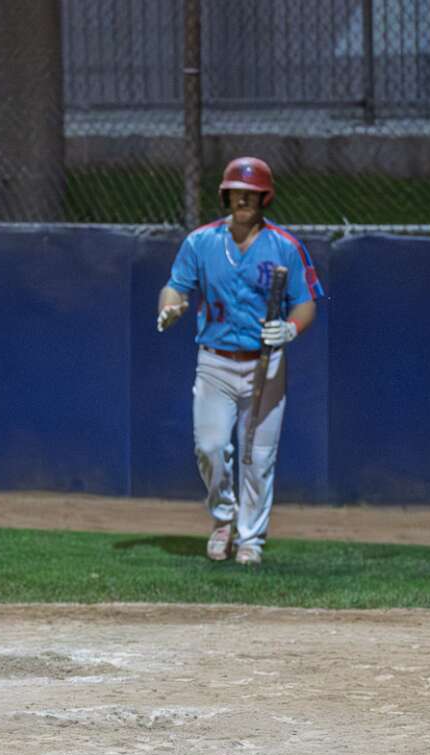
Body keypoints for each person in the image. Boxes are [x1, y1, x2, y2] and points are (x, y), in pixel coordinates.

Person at [156, 157, 324, 565]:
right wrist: (170, 307)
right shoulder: (201, 242)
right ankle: (223, 519)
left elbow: (305, 303)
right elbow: (175, 287)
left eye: (252, 193)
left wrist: (290, 329)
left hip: (265, 362)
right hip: (215, 361)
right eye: (237, 192)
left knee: (259, 457)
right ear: (226, 195)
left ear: (265, 197)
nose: (244, 199)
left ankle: (251, 539)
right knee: (210, 447)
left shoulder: (284, 245)